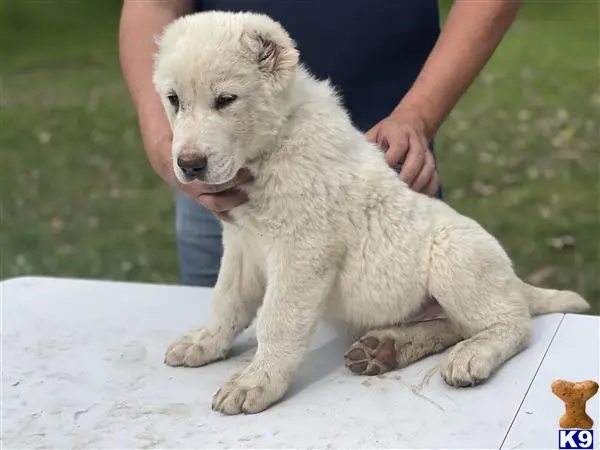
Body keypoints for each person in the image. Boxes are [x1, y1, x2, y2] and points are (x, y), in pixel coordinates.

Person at [119, 0, 522, 287]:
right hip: (225, 179)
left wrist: (418, 115)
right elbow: (151, 6)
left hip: (377, 169)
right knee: (220, 358)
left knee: (392, 373)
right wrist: (163, 139)